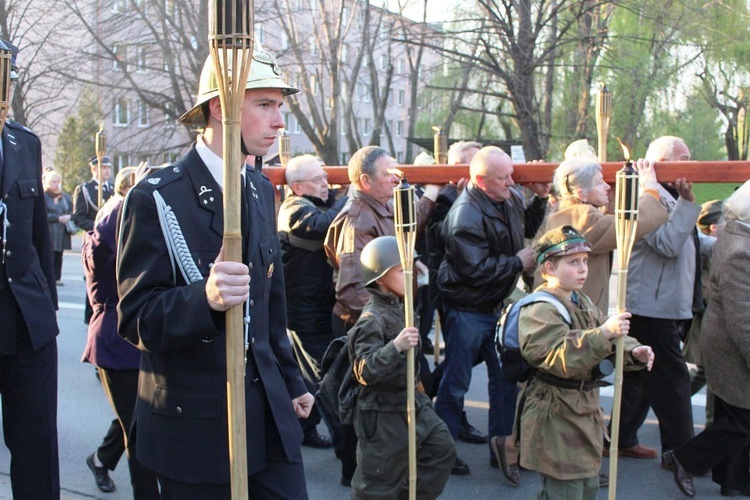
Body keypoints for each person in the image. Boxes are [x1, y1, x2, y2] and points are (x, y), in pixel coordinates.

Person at [117, 44, 314, 498]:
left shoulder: (262, 190)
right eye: (264, 105)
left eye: (279, 106)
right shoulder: (157, 197)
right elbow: (137, 318)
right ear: (218, 106)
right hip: (196, 429)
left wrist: (289, 380)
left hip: (267, 417)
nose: (279, 121)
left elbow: (271, 310)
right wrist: (201, 299)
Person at [324, 145, 439, 485]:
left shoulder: (382, 205)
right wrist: (386, 324)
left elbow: (406, 225)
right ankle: (359, 476)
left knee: (405, 389)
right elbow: (352, 288)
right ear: (365, 180)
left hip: (386, 319)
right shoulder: (358, 218)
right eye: (389, 172)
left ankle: (382, 466)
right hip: (364, 324)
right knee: (359, 405)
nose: (397, 177)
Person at [517, 226, 654, 499]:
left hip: (583, 410)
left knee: (587, 487)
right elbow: (556, 356)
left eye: (584, 261)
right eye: (573, 262)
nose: (582, 269)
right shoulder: (540, 308)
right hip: (555, 411)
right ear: (548, 269)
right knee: (564, 491)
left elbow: (603, 331)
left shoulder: (581, 300)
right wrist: (604, 334)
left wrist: (632, 351)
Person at [435, 145, 549, 475]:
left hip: (495, 306)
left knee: (505, 379)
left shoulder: (506, 197)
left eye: (512, 174)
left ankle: (503, 449)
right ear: (482, 180)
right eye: (504, 178)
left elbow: (523, 227)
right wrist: (517, 262)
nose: (512, 182)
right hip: (467, 309)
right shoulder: (465, 215)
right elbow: (473, 270)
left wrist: (539, 199)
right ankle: (441, 453)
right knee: (455, 384)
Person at [609, 136, 701, 468]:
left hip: (660, 303)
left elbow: (690, 240)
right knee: (673, 383)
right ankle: (682, 456)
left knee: (639, 377)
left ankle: (621, 438)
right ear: (660, 163)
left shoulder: (667, 196)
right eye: (683, 159)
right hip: (649, 305)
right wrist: (689, 204)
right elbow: (668, 243)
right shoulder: (640, 195)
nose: (690, 166)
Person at [348, 236, 455, 498]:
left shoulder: (402, 306)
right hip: (381, 410)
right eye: (402, 270)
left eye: (412, 268)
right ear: (381, 279)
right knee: (377, 484)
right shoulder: (371, 318)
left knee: (442, 449)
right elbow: (364, 370)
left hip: (411, 400)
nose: (411, 276)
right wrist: (394, 346)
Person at [0, 37, 60, 499]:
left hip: (27, 322)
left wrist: (48, 311)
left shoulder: (24, 142)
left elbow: (38, 235)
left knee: (37, 448)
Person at [667, 181, 750, 498]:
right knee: (742, 420)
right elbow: (743, 318)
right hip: (732, 343)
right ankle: (685, 459)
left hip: (724, 336)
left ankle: (734, 479)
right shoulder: (741, 250)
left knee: (735, 414)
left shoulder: (735, 231)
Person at [82, 166, 159, 498]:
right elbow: (104, 255)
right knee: (139, 430)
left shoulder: (123, 212)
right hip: (116, 343)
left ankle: (100, 459)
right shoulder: (114, 216)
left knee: (138, 418)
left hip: (139, 340)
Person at [536, 155, 668, 313]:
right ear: (581, 193)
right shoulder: (582, 218)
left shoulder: (563, 213)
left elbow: (606, 224)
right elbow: (629, 225)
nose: (606, 186)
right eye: (599, 183)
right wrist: (650, 188)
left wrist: (611, 200)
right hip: (580, 315)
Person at [278, 154, 347, 451]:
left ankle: (304, 428)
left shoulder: (313, 202)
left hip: (312, 308)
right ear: (297, 187)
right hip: (305, 312)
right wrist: (353, 194)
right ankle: (345, 447)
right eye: (317, 180)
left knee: (308, 374)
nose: (325, 184)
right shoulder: (294, 211)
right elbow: (325, 224)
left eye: (325, 177)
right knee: (325, 376)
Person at [425, 141, 486, 446]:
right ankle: (448, 418)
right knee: (459, 361)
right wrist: (454, 196)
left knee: (466, 359)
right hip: (451, 291)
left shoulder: (482, 197)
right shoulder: (446, 199)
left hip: (481, 293)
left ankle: (432, 394)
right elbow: (438, 236)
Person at [682, 199, 721, 427]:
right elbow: (705, 293)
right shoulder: (708, 252)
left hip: (709, 322)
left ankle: (670, 401)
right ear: (714, 227)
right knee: (713, 374)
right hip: (709, 322)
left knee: (706, 373)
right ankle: (712, 427)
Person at [73, 155, 114, 324]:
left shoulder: (112, 188)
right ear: (94, 169)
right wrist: (97, 226)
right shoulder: (84, 189)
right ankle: (90, 317)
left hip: (111, 241)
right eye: (103, 168)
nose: (107, 171)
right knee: (93, 279)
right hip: (93, 240)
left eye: (108, 168)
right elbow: (78, 218)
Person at [43, 169, 74, 285]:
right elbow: (42, 214)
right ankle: (48, 277)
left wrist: (69, 217)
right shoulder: (44, 197)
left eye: (58, 182)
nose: (56, 185)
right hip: (49, 230)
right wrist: (57, 218)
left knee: (59, 255)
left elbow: (71, 211)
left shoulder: (64, 197)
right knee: (49, 255)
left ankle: (57, 277)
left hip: (61, 231)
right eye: (53, 182)